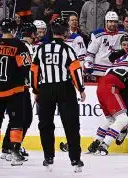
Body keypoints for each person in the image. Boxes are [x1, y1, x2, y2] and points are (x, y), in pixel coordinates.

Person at [30, 18, 85, 172]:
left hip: (45, 89)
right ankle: (75, 159)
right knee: (71, 125)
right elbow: (75, 70)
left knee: (45, 125)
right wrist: (81, 89)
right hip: (65, 89)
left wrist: (35, 90)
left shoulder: (41, 49)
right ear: (66, 32)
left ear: (52, 32)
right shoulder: (67, 49)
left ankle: (48, 157)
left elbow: (34, 71)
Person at [0, 18, 31, 166]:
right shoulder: (19, 45)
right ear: (14, 30)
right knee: (16, 122)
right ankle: (14, 151)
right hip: (14, 91)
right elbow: (26, 68)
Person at [0, 22, 37, 161]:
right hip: (20, 88)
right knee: (24, 119)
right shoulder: (24, 46)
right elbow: (29, 68)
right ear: (32, 34)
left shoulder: (19, 45)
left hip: (17, 87)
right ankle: (11, 147)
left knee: (18, 119)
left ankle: (8, 147)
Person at [83, 11, 127, 82]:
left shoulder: (124, 34)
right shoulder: (97, 34)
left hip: (116, 71)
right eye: (110, 21)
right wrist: (88, 64)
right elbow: (90, 54)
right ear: (106, 22)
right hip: (100, 71)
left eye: (115, 22)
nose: (113, 24)